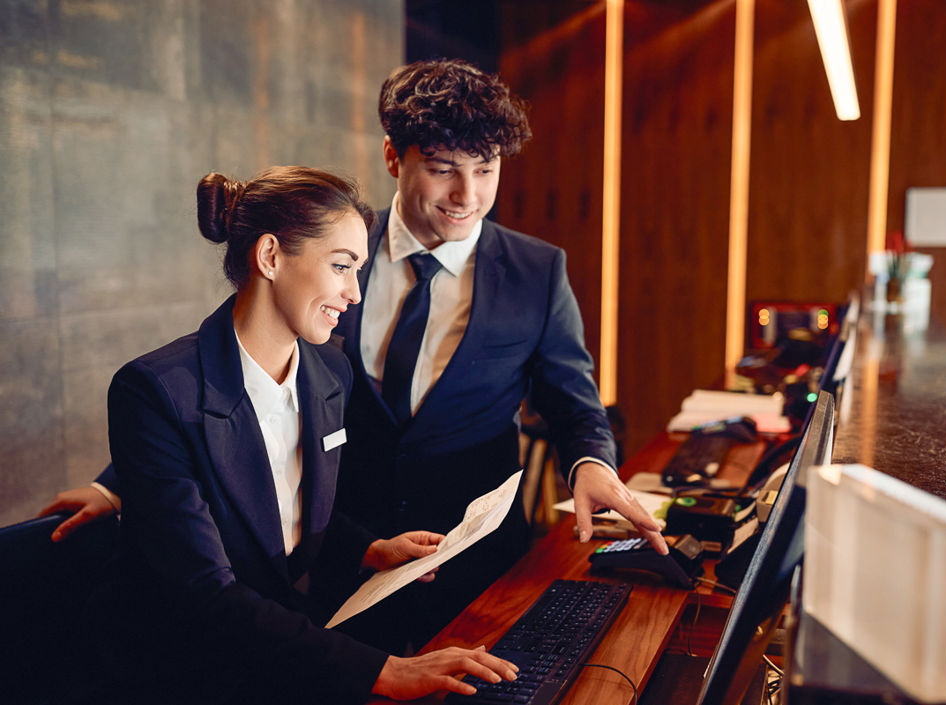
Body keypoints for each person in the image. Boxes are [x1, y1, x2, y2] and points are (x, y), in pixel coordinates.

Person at [41, 59, 667, 654]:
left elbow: (573, 402)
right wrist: (122, 484)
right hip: (344, 549)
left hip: (471, 560)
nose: (467, 195)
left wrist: (591, 462)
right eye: (443, 169)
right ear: (394, 157)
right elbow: (228, 382)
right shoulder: (328, 240)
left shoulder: (536, 270)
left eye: (486, 170)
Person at [67, 166, 517, 704]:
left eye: (358, 270)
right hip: (179, 669)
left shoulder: (331, 371)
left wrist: (369, 549)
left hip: (275, 646)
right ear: (270, 257)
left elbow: (284, 508)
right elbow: (206, 593)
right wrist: (383, 670)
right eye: (341, 266)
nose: (354, 293)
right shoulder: (154, 390)